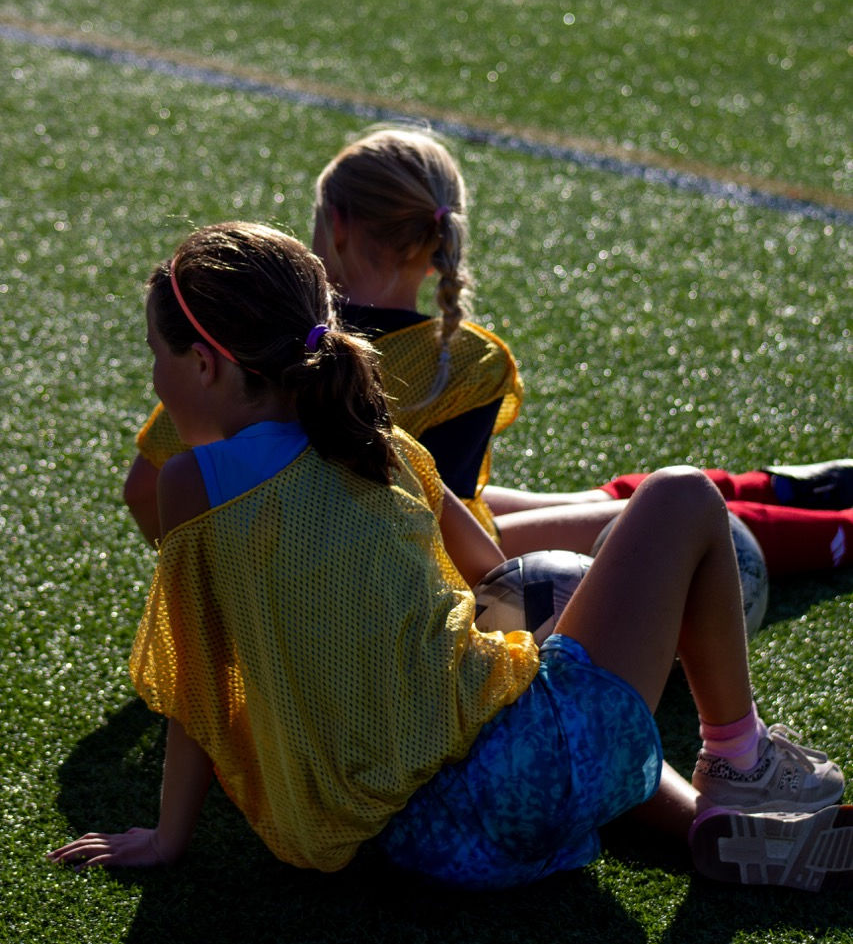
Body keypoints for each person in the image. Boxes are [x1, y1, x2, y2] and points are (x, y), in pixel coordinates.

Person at [49, 222, 852, 890]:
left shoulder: (191, 483)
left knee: (519, 711)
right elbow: (493, 567)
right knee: (677, 496)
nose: (155, 377)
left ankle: (706, 825)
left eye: (155, 358)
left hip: (425, 850)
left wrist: (166, 836)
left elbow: (196, 673)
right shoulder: (377, 442)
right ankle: (738, 760)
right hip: (525, 777)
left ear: (203, 364)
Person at [122, 126, 852, 575]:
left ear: (335, 227)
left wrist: (207, 563)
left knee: (605, 503)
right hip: (418, 544)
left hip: (373, 548)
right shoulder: (461, 356)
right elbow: (442, 508)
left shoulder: (263, 331)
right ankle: (809, 511)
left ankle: (802, 503)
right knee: (631, 512)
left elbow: (147, 486)